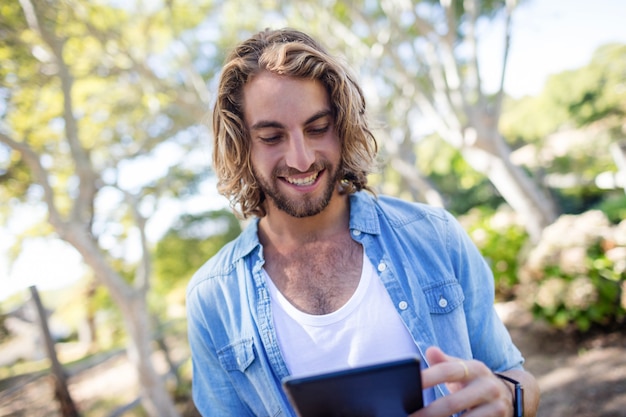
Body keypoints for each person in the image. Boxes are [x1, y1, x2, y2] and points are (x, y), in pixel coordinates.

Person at [186, 27, 540, 417]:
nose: (301, 159)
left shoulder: (433, 234)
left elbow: (514, 375)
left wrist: (506, 399)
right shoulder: (212, 298)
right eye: (272, 137)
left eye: (318, 128)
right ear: (241, 146)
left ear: (342, 125)